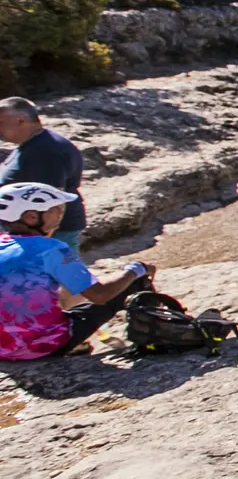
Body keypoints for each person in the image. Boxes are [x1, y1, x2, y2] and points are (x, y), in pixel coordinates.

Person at [0, 183, 150, 362]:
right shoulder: (51, 249)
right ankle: (155, 339)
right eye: (56, 210)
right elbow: (99, 296)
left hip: (3, 348)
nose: (60, 216)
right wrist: (136, 269)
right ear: (32, 217)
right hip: (41, 347)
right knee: (135, 281)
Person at [0, 98, 87, 251]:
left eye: (1, 122)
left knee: (59, 274)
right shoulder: (33, 144)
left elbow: (54, 199)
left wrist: (44, 239)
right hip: (33, 233)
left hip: (49, 234)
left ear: (21, 120)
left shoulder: (44, 151)